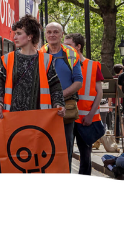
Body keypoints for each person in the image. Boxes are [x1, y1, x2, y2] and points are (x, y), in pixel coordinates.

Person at [0, 16, 65, 119]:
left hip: (38, 118)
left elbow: (55, 87)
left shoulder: (45, 60)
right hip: (12, 117)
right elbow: (0, 84)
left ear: (30, 37)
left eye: (19, 34)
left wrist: (59, 104)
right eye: (15, 34)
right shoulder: (9, 58)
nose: (15, 37)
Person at [41, 22, 84, 167]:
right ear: (45, 35)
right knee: (45, 147)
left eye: (55, 32)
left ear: (62, 35)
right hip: (44, 109)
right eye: (49, 32)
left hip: (66, 109)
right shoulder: (39, 54)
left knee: (65, 147)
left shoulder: (71, 54)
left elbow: (78, 82)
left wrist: (59, 96)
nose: (52, 35)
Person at [66, 33, 104, 176]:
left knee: (86, 156)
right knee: (66, 155)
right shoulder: (64, 64)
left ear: (78, 47)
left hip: (86, 119)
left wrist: (90, 115)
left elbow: (99, 93)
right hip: (68, 117)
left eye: (68, 45)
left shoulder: (93, 65)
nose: (65, 48)